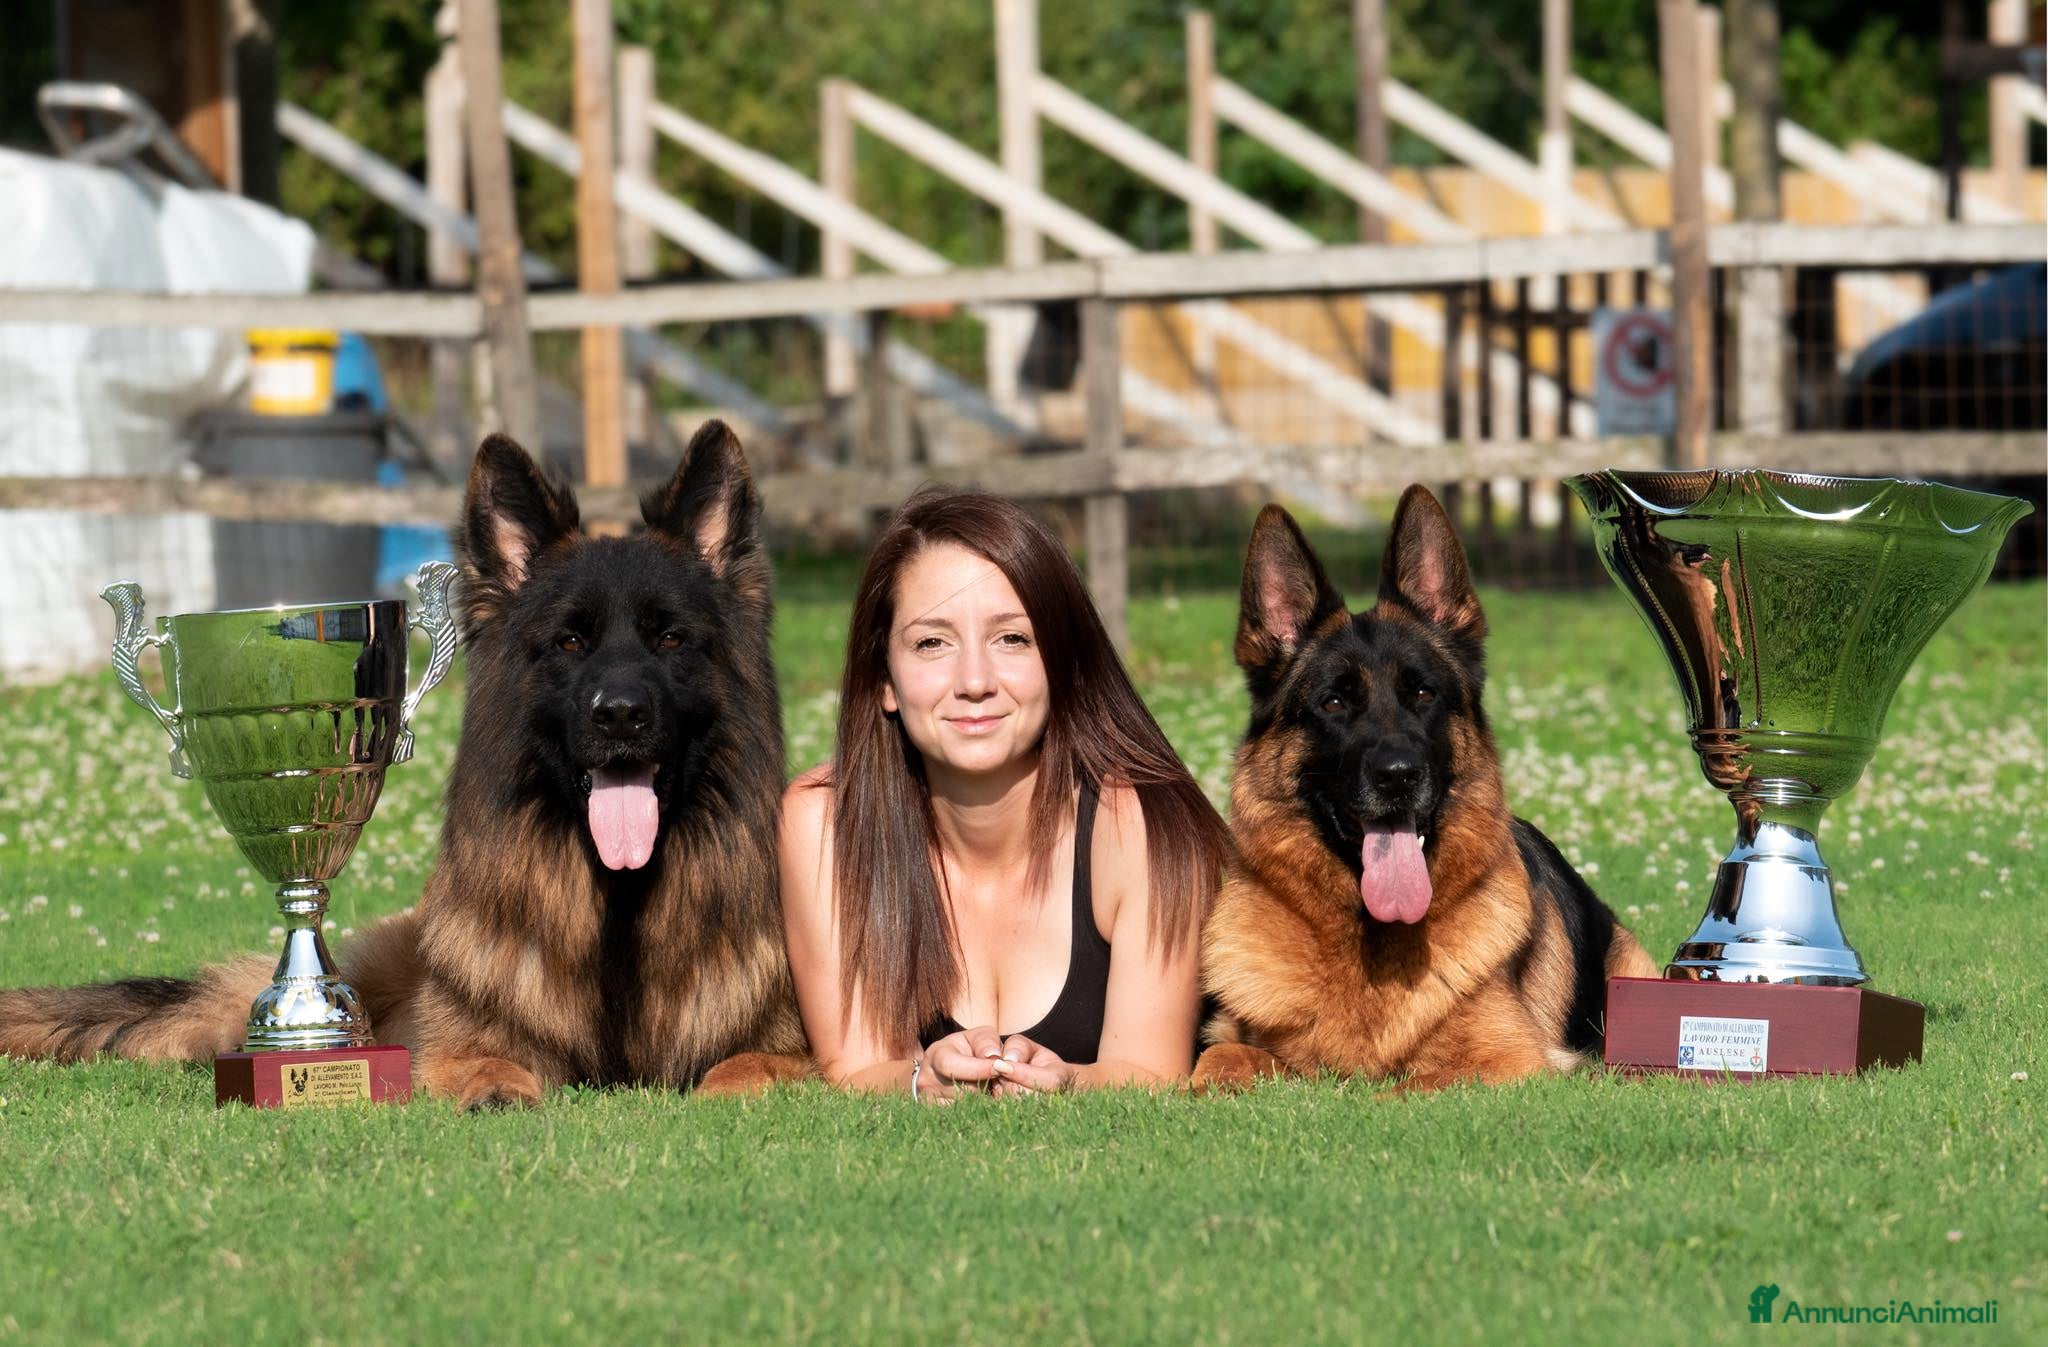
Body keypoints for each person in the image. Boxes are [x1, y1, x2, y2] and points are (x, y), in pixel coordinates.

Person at [780, 488, 1229, 1099]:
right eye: (932, 643)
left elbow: (1152, 1074)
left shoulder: (1142, 826)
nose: (974, 681)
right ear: (884, 678)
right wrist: (923, 1080)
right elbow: (855, 1069)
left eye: (1012, 639)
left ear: (1062, 661)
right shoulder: (823, 824)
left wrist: (1068, 1082)